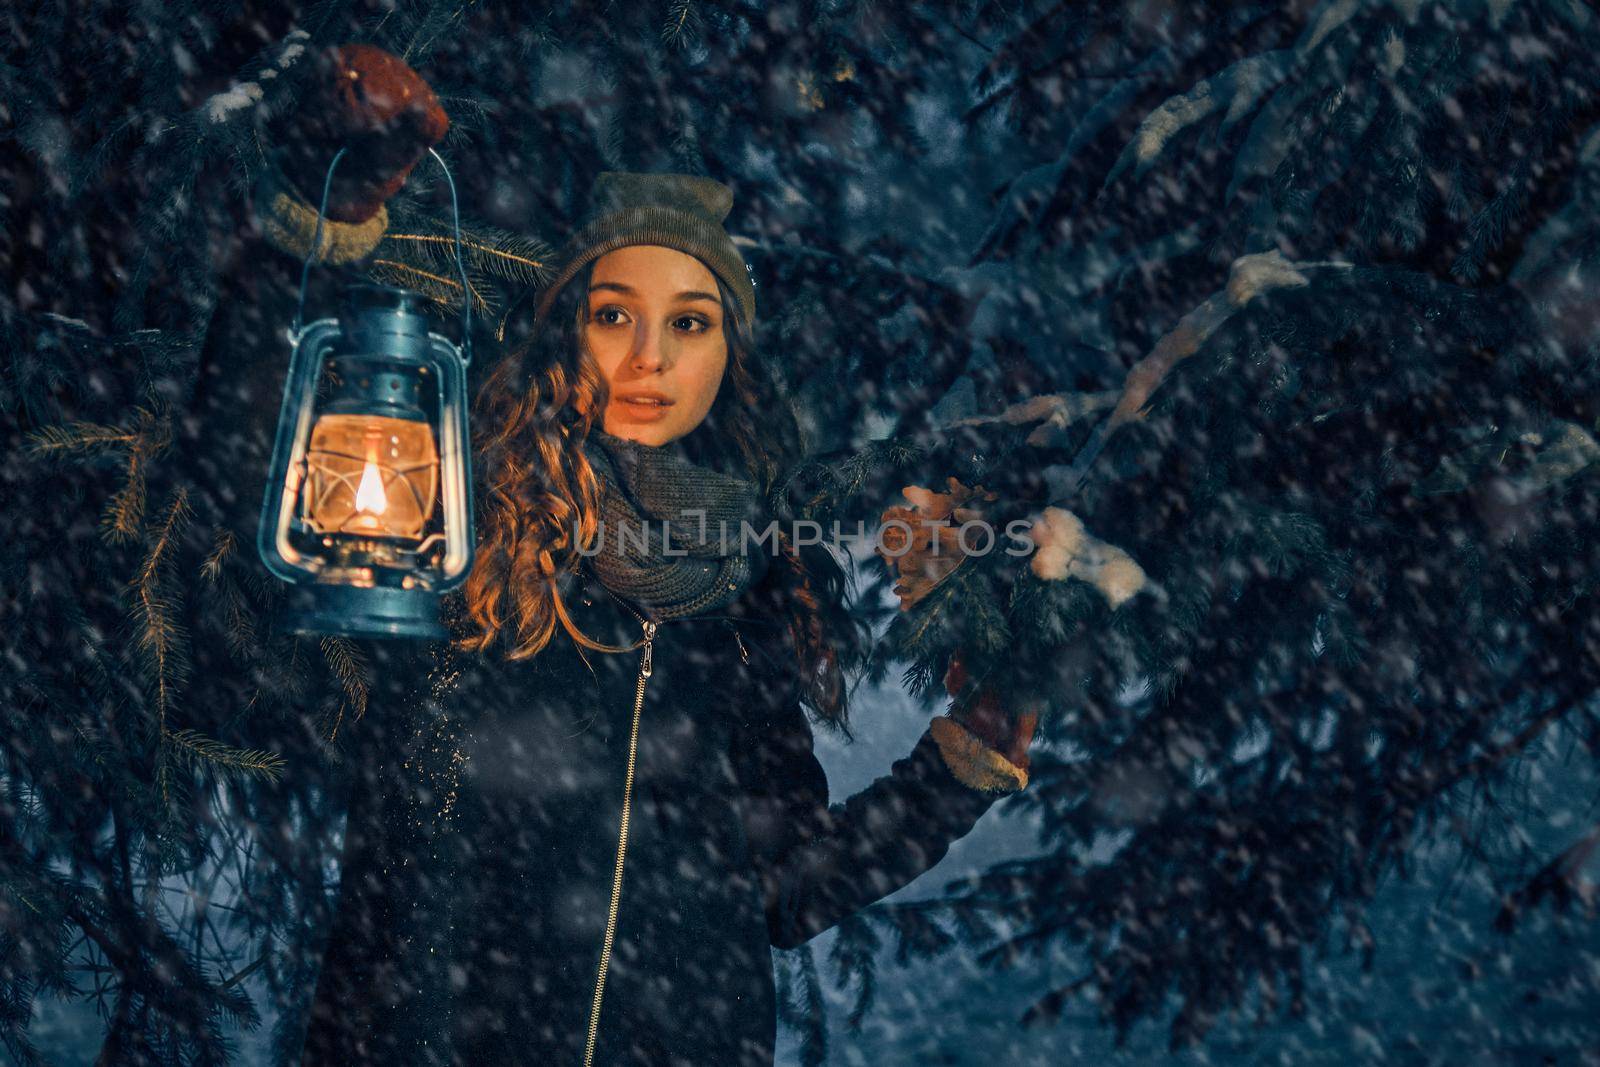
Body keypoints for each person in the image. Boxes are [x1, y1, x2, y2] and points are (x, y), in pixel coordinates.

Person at [255, 43, 1038, 1067]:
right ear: (565, 328)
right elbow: (245, 519)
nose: (651, 358)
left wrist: (956, 769)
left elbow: (778, 884)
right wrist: (321, 224)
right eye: (614, 313)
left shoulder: (739, 579)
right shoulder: (457, 517)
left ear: (728, 356)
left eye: (691, 322)